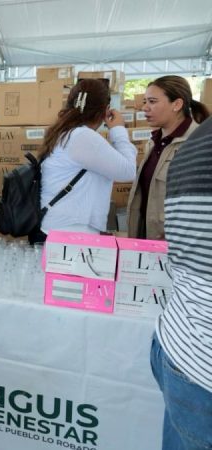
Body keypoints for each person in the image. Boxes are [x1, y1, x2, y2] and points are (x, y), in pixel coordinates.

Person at [151, 115, 212, 450]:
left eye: (151, 100)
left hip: (184, 339)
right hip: (199, 355)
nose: (145, 107)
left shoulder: (194, 141)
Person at [33, 78, 136, 241]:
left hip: (57, 229)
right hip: (71, 233)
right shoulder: (82, 137)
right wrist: (118, 129)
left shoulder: (65, 132)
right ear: (106, 110)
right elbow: (129, 171)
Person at [126, 75, 210, 240]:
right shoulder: (153, 143)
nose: (145, 108)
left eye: (152, 101)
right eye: (145, 101)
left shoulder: (198, 143)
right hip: (146, 237)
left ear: (177, 104)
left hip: (178, 242)